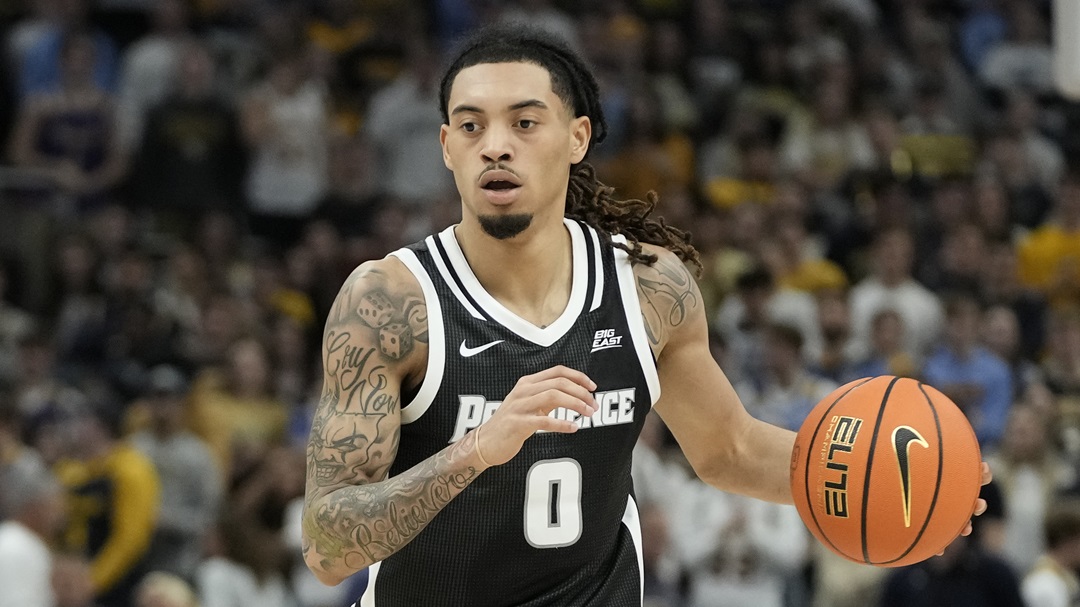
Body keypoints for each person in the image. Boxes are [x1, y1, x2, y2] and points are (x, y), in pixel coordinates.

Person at [300, 25, 990, 606]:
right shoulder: (389, 302)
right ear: (448, 147)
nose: (497, 145)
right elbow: (328, 544)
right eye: (472, 126)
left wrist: (908, 485)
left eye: (524, 121)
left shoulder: (647, 287)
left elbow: (729, 450)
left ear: (576, 137)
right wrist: (477, 448)